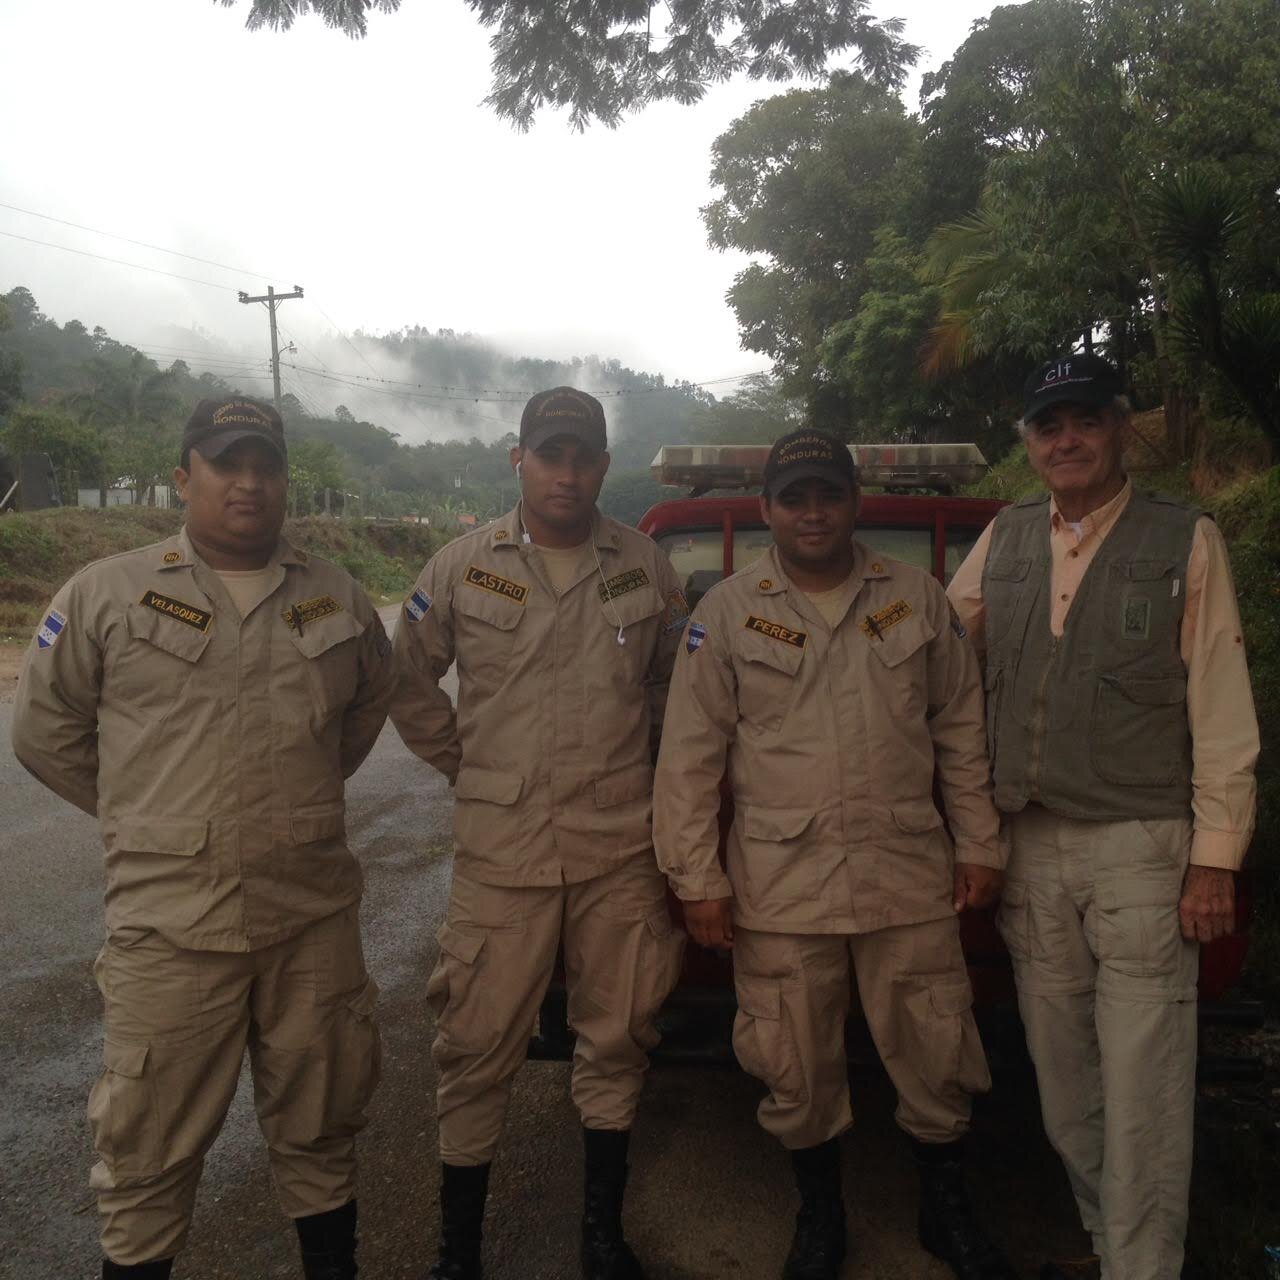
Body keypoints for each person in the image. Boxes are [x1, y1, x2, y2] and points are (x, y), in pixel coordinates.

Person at [11, 396, 393, 1280]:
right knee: (146, 1156)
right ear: (186, 476)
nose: (249, 482)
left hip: (311, 922)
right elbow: (43, 731)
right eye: (227, 464)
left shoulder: (335, 595)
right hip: (170, 929)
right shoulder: (106, 592)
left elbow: (365, 711)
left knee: (324, 1130)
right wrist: (147, 816)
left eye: (266, 464)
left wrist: (292, 800)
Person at [653, 428, 1017, 1280]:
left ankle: (944, 1206)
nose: (812, 512)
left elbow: (962, 733)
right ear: (768, 509)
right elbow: (689, 758)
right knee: (795, 1063)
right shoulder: (727, 613)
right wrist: (696, 879)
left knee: (936, 1048)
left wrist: (981, 841)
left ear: (853, 502)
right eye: (795, 497)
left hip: (905, 876)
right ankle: (819, 1217)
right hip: (782, 887)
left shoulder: (917, 600)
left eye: (827, 494)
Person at [947, 354, 1260, 1280]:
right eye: (1049, 426)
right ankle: (1106, 1237)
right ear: (1030, 444)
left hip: (1141, 848)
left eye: (1085, 420)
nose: (1067, 439)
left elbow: (1222, 704)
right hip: (1028, 846)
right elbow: (927, 654)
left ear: (1122, 428)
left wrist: (1215, 861)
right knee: (1065, 1083)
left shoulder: (1183, 539)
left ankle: (1143, 1266)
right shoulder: (1002, 539)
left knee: (1145, 1082)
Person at [391, 386, 687, 1280]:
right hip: (503, 855)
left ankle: (601, 1236)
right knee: (476, 1044)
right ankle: (460, 1252)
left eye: (582, 455)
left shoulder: (645, 568)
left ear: (602, 463)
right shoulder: (457, 566)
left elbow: (679, 691)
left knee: (618, 1033)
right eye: (549, 454)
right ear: (517, 459)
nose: (566, 472)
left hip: (618, 851)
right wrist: (469, 768)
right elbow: (406, 683)